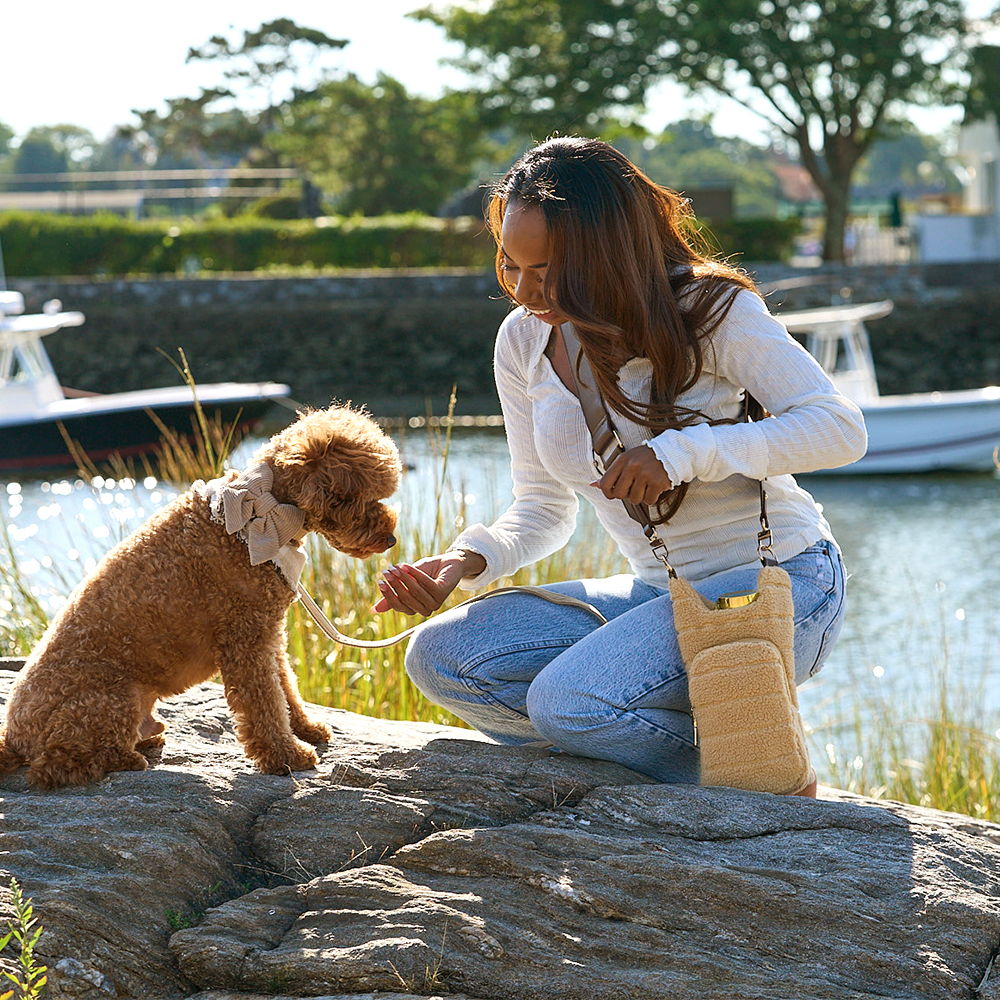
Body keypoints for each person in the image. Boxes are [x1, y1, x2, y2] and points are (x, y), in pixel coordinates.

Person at [373, 136, 866, 786]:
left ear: (605, 250)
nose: (525, 292)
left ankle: (764, 778)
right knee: (441, 656)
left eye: (546, 269)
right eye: (510, 266)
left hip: (779, 585)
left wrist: (684, 452)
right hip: (654, 592)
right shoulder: (524, 340)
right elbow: (543, 507)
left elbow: (840, 430)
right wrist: (469, 560)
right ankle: (726, 755)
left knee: (568, 703)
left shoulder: (711, 310)